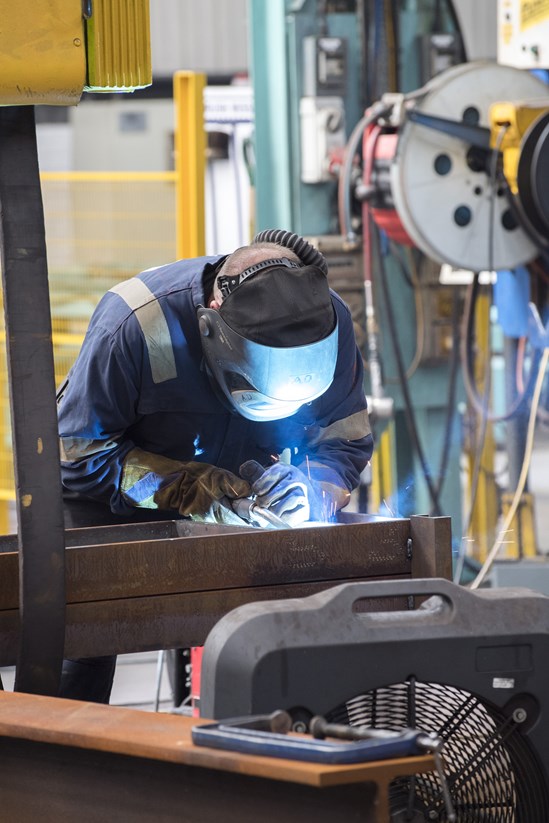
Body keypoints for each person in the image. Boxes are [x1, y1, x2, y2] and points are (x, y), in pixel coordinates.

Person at [56, 229, 373, 702]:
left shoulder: (325, 322)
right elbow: (78, 454)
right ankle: (62, 767)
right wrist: (198, 492)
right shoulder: (137, 323)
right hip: (112, 504)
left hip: (252, 509)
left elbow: (342, 440)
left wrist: (313, 487)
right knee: (85, 647)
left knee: (291, 648)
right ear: (212, 325)